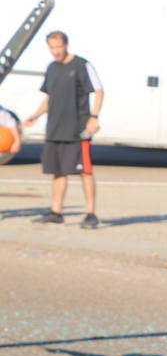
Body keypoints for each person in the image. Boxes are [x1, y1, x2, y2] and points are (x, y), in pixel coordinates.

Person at [24, 31, 103, 227]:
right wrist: (35, 114)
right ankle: (56, 212)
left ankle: (90, 214)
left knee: (85, 171)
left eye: (58, 47)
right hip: (55, 129)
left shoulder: (82, 65)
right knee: (58, 171)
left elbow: (99, 90)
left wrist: (94, 117)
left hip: (78, 129)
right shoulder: (51, 68)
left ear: (66, 45)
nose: (55, 51)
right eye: (52, 47)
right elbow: (49, 98)